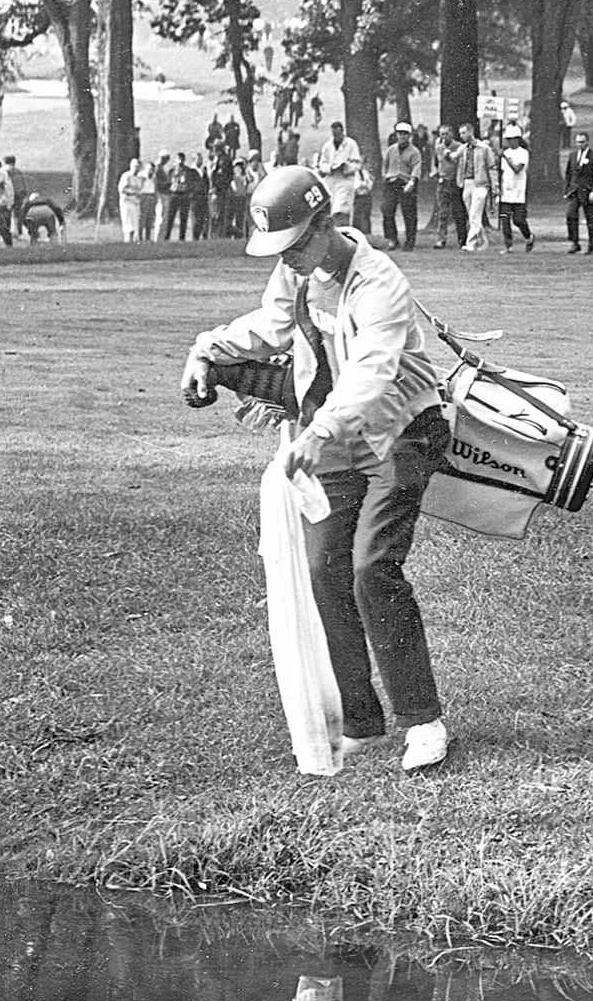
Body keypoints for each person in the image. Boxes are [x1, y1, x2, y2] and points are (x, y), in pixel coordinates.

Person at [179, 165, 453, 773]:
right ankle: (361, 720)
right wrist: (207, 346)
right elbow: (268, 327)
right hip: (335, 437)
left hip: (401, 430)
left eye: (296, 245)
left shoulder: (379, 280)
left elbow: (372, 376)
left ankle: (424, 721)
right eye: (280, 250)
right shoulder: (295, 272)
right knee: (325, 570)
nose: (290, 260)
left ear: (325, 223)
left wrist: (319, 430)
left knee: (371, 568)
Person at [379, 122, 423, 251]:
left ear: (409, 136)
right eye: (400, 133)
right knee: (387, 210)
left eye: (405, 134)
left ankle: (410, 241)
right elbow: (385, 165)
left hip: (406, 182)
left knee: (409, 213)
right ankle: (392, 239)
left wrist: (412, 182)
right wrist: (386, 176)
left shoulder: (414, 152)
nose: (402, 136)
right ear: (396, 135)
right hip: (392, 182)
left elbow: (416, 168)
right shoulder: (391, 149)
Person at [455, 123, 496, 253]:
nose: (461, 136)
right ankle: (483, 242)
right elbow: (454, 157)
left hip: (481, 183)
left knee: (474, 213)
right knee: (472, 214)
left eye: (463, 133)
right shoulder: (463, 148)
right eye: (460, 133)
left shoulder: (484, 148)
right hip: (467, 182)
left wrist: (494, 185)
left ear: (470, 132)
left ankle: (471, 243)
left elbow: (491, 167)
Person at [312, 122, 362, 224]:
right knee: (330, 207)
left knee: (342, 208)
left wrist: (345, 167)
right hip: (331, 180)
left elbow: (356, 163)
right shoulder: (327, 146)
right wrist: (330, 168)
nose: (336, 136)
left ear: (342, 132)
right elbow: (322, 164)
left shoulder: (351, 144)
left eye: (338, 134)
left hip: (345, 179)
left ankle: (343, 229)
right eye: (334, 134)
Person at [563, 130, 593, 254]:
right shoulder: (573, 156)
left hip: (589, 191)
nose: (579, 144)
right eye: (577, 142)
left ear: (587, 142)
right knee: (570, 215)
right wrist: (567, 190)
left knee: (591, 220)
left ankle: (592, 246)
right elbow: (568, 173)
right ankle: (575, 242)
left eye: (582, 142)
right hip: (575, 191)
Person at [497, 123, 533, 252]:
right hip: (506, 191)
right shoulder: (505, 153)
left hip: (518, 191)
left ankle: (528, 236)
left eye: (512, 139)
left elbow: (517, 169)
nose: (510, 142)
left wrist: (506, 157)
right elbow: (502, 172)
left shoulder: (523, 153)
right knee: (505, 220)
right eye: (508, 140)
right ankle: (508, 245)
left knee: (518, 220)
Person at [431, 126, 466, 250]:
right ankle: (441, 239)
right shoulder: (438, 147)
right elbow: (436, 163)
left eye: (446, 134)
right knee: (442, 212)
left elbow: (461, 164)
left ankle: (462, 240)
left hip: (455, 182)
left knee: (458, 212)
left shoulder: (459, 147)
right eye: (442, 134)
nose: (444, 137)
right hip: (443, 182)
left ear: (451, 134)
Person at [116, 157, 146, 242]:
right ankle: (127, 241)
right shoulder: (126, 176)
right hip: (127, 202)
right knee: (128, 224)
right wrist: (133, 192)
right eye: (135, 166)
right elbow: (122, 189)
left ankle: (134, 241)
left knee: (135, 223)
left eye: (138, 167)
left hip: (135, 202)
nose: (136, 168)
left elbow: (140, 189)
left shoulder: (140, 178)